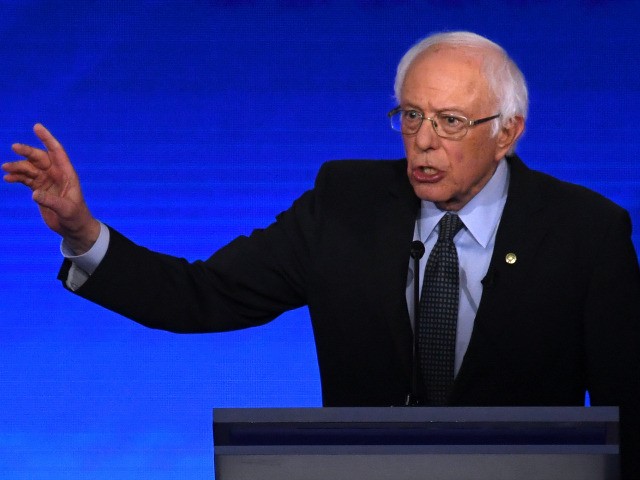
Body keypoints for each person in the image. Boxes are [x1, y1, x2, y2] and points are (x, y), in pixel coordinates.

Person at [4, 31, 639, 477]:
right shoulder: (344, 203)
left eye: (449, 122)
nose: (422, 143)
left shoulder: (586, 231)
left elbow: (626, 409)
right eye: (410, 116)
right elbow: (203, 295)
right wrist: (84, 232)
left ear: (507, 132)